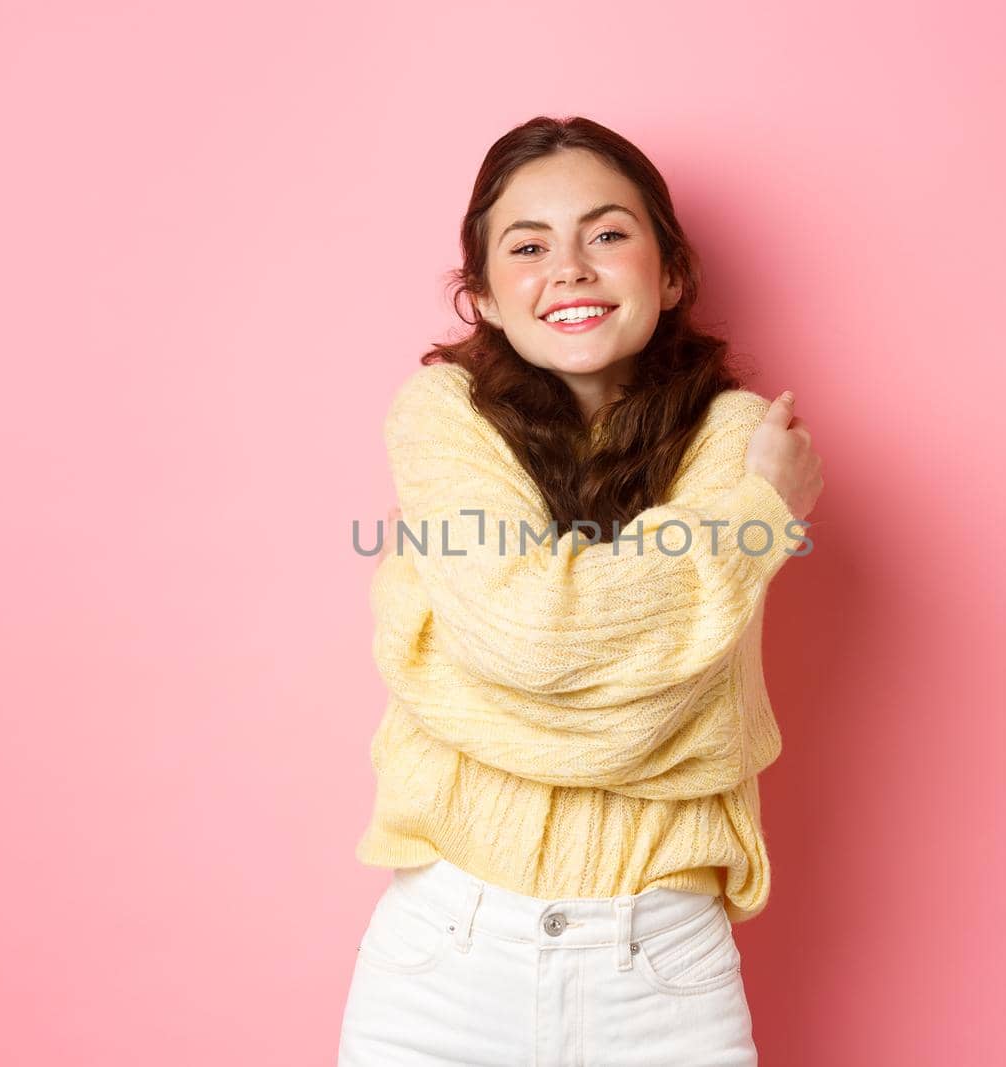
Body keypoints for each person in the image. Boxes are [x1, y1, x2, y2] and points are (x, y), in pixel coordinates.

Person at [338, 115, 824, 1066]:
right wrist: (753, 524)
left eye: (607, 233)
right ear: (482, 294)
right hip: (443, 963)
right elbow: (533, 633)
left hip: (663, 973)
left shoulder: (736, 440)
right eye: (528, 246)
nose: (569, 268)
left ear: (671, 272)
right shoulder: (442, 418)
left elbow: (649, 705)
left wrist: (485, 685)